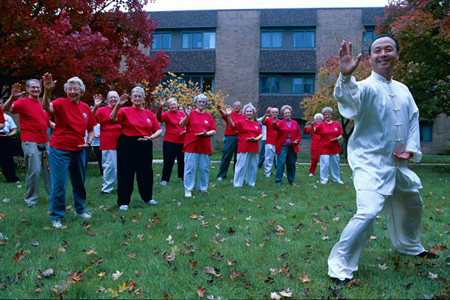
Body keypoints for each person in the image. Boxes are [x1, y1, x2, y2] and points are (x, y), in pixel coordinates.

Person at [328, 36, 438, 285]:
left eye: (389, 49)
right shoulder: (364, 87)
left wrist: (411, 149)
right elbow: (348, 101)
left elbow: (412, 121)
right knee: (367, 213)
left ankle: (409, 246)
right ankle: (340, 267)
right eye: (377, 50)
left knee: (412, 204)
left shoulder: (404, 90)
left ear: (397, 55)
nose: (383, 54)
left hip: (398, 164)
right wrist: (345, 77)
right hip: (370, 163)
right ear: (369, 58)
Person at [42, 74, 97, 229]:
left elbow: (91, 129)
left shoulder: (86, 108)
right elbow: (47, 107)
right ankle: (57, 216)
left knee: (79, 181)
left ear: (81, 91)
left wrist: (89, 142)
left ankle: (80, 210)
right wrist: (47, 91)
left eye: (76, 89)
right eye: (70, 89)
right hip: (60, 149)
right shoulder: (60, 103)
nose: (72, 91)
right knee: (59, 184)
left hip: (79, 150)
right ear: (66, 91)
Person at [110, 87, 162, 210]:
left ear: (143, 99)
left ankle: (147, 198)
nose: (137, 98)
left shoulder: (149, 113)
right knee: (125, 173)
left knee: (146, 172)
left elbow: (158, 129)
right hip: (127, 143)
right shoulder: (124, 110)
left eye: (140, 96)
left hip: (145, 143)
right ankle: (123, 202)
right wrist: (118, 105)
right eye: (135, 96)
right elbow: (113, 119)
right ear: (131, 98)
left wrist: (150, 137)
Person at [3, 79, 52, 207]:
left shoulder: (43, 104)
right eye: (33, 88)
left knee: (49, 171)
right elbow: (7, 108)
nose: (36, 90)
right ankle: (31, 200)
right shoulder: (23, 102)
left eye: (38, 87)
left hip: (45, 141)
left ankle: (52, 197)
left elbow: (49, 123)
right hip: (30, 141)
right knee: (34, 171)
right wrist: (12, 97)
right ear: (28, 89)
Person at [180, 94, 216, 197]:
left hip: (204, 146)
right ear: (195, 103)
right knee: (190, 168)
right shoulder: (190, 113)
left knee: (204, 168)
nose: (201, 103)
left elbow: (213, 130)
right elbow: (181, 125)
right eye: (199, 102)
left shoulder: (208, 116)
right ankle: (188, 189)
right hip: (191, 145)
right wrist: (186, 116)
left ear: (206, 104)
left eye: (203, 102)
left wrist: (207, 134)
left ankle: (203, 188)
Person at [226, 103, 262, 187]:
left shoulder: (256, 124)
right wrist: (228, 116)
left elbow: (260, 134)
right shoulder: (241, 122)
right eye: (247, 111)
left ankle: (250, 183)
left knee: (252, 166)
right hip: (243, 147)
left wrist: (256, 139)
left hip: (254, 147)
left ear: (253, 113)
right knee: (241, 166)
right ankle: (237, 184)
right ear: (244, 113)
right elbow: (232, 125)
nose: (249, 113)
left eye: (250, 111)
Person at [92, 91, 122, 195]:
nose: (113, 99)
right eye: (111, 97)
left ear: (118, 99)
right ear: (107, 100)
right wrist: (95, 106)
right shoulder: (101, 110)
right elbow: (91, 119)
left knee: (121, 166)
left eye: (115, 97)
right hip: (108, 141)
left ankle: (120, 186)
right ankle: (107, 188)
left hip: (121, 141)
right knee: (110, 166)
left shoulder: (122, 110)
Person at [157, 97, 186, 185]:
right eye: (171, 104)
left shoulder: (182, 114)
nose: (173, 106)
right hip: (170, 141)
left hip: (182, 141)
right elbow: (159, 118)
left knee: (182, 161)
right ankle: (165, 179)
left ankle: (183, 178)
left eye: (174, 104)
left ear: (177, 105)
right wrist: (160, 107)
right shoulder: (166, 114)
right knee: (168, 161)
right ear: (168, 106)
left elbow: (188, 124)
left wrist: (186, 131)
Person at [312, 107, 344, 184]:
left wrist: (337, 138)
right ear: (323, 116)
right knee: (324, 164)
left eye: (328, 114)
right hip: (324, 148)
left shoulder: (336, 124)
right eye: (325, 114)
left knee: (335, 164)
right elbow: (314, 130)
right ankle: (324, 180)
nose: (327, 116)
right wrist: (312, 125)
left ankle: (336, 179)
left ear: (331, 115)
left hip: (334, 148)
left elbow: (341, 134)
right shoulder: (321, 125)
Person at [216, 101, 244, 181]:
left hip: (239, 138)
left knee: (238, 158)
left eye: (238, 106)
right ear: (233, 107)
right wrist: (220, 110)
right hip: (229, 138)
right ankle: (221, 175)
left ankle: (237, 175)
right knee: (226, 156)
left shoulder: (243, 116)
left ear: (241, 107)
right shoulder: (230, 114)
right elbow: (223, 114)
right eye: (235, 105)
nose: (236, 107)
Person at [273, 105, 301, 185]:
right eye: (285, 113)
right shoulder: (280, 122)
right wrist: (274, 123)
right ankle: (278, 180)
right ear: (283, 115)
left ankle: (291, 180)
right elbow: (275, 127)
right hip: (283, 146)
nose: (287, 114)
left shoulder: (295, 123)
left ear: (291, 113)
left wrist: (297, 140)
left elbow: (299, 134)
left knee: (291, 163)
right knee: (281, 163)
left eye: (288, 113)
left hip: (292, 146)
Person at [0, 101, 20, 183]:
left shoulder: (8, 117)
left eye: (0, 103)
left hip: (4, 138)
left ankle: (11, 178)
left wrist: (9, 135)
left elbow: (14, 129)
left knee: (7, 159)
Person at [263, 107, 279, 177]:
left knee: (279, 159)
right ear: (271, 113)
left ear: (278, 113)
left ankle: (280, 172)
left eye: (276, 112)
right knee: (268, 158)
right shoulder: (268, 120)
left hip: (278, 143)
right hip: (269, 142)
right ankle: (267, 172)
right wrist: (265, 115)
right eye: (273, 112)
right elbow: (262, 122)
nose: (274, 113)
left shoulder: (280, 121)